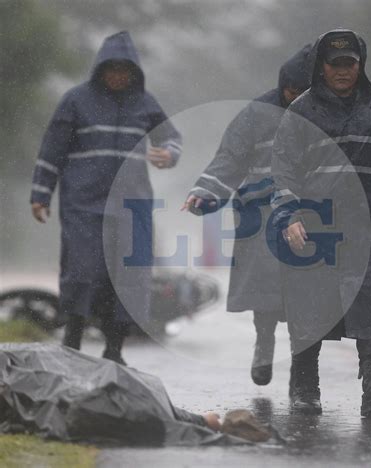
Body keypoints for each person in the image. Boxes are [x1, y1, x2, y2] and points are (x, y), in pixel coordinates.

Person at [271, 29, 371, 417]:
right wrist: (288, 216)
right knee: (311, 306)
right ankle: (306, 386)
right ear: (321, 66)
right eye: (335, 64)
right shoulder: (301, 111)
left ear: (360, 64)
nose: (343, 71)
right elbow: (283, 169)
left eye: (349, 64)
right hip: (316, 227)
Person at [30, 31, 182, 365]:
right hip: (83, 204)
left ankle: (115, 349)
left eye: (123, 69)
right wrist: (41, 193)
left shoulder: (145, 103)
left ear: (134, 71)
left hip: (131, 206)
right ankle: (72, 339)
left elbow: (172, 137)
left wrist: (169, 155)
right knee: (82, 272)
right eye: (111, 68)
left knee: (128, 276)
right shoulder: (76, 101)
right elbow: (52, 150)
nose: (117, 75)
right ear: (100, 69)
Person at [182, 45, 312, 385]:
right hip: (260, 212)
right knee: (263, 285)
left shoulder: (322, 112)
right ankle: (264, 345)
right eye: (291, 91)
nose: (295, 98)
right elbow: (230, 157)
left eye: (303, 92)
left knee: (306, 290)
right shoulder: (256, 114)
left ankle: (302, 365)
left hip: (308, 212)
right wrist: (205, 192)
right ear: (284, 85)